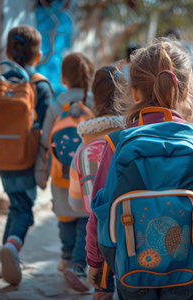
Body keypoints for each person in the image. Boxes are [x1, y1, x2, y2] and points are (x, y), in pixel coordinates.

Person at [85, 38, 193, 299]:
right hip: (189, 262)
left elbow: (100, 206)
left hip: (131, 263)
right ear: (185, 89)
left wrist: (96, 261)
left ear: (134, 91)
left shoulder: (117, 142)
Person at [0, 25, 54, 286]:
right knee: (25, 212)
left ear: (7, 51)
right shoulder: (40, 86)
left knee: (15, 206)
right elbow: (47, 130)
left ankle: (4, 258)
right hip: (26, 160)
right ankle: (13, 247)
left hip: (1, 159)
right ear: (38, 56)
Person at [35, 52, 94, 292]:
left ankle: (67, 256)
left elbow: (46, 140)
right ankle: (78, 264)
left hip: (61, 174)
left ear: (63, 78)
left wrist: (41, 171)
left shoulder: (56, 104)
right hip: (87, 173)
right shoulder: (93, 102)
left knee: (64, 215)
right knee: (85, 219)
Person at [68, 65, 126, 299]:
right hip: (132, 230)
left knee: (102, 289)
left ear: (93, 98)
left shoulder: (83, 147)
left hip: (99, 237)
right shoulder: (134, 135)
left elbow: (75, 204)